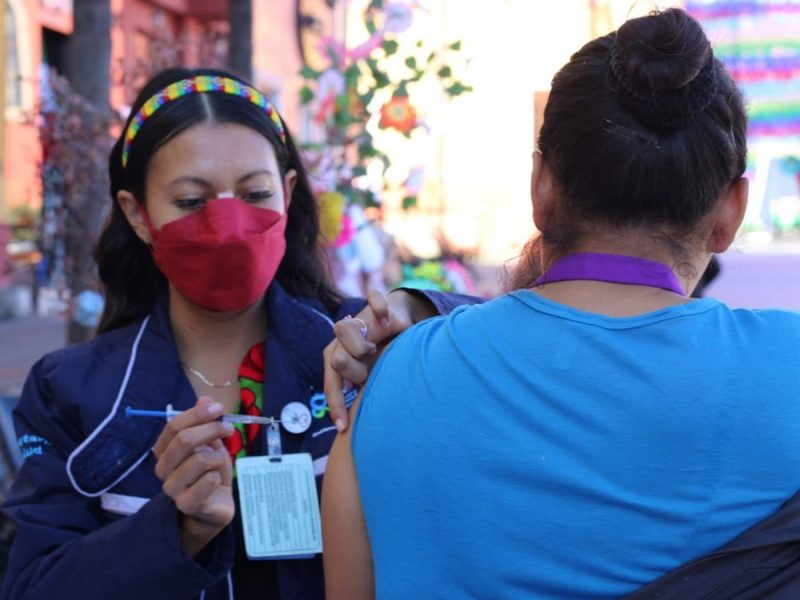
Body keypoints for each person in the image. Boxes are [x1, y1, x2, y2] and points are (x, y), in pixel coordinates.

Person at [322, 9, 800, 599]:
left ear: (541, 188)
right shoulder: (789, 369)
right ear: (731, 210)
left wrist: (421, 319)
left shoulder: (394, 378)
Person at [0, 67, 475, 600]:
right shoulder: (69, 392)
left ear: (288, 192)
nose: (227, 228)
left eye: (254, 193)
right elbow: (32, 586)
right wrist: (178, 530)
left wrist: (417, 308)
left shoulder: (360, 346)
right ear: (137, 214)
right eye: (191, 202)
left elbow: (509, 337)